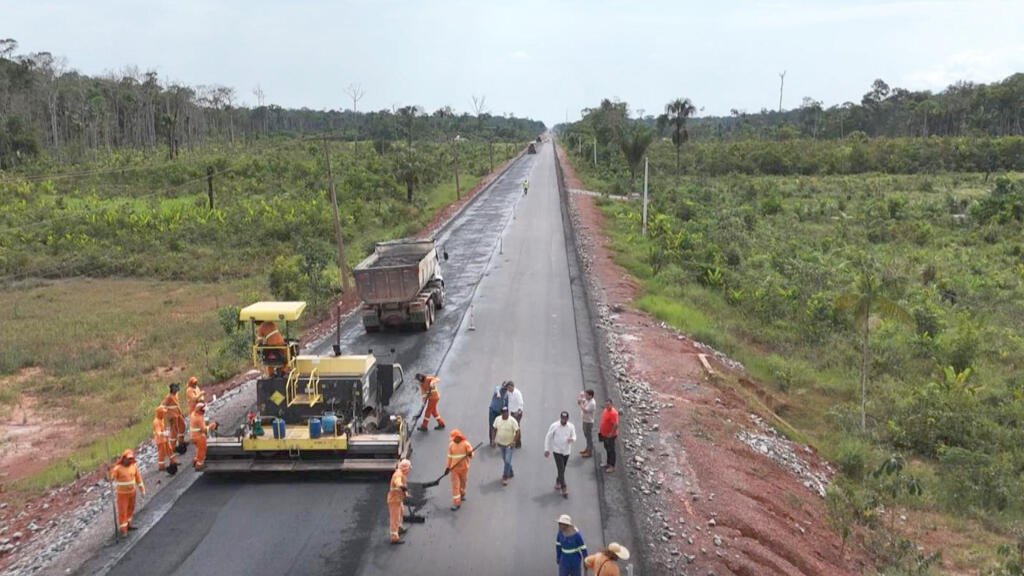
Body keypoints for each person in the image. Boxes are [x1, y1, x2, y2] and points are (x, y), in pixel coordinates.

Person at [109, 449, 145, 535]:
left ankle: (129, 524)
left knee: (130, 509)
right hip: (122, 495)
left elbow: (138, 478)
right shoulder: (118, 469)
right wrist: (109, 472)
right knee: (123, 511)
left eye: (131, 459)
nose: (130, 460)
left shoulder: (134, 466)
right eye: (128, 459)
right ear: (124, 458)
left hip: (132, 492)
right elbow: (110, 478)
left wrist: (142, 490)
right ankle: (123, 530)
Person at [544, 411, 577, 498]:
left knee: (562, 469)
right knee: (561, 468)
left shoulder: (571, 426)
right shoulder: (554, 426)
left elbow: (574, 436)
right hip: (557, 451)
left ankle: (558, 481)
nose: (563, 420)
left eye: (565, 419)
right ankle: (564, 488)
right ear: (560, 418)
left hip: (566, 451)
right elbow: (548, 437)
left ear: (567, 419)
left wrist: (572, 439)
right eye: (562, 418)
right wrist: (546, 449)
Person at [492, 406, 520, 486]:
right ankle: (510, 471)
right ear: (501, 413)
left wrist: (514, 442)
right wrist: (493, 440)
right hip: (501, 444)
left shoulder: (512, 421)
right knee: (505, 459)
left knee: (507, 460)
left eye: (506, 412)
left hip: (509, 444)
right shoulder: (498, 419)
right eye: (504, 412)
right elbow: (494, 429)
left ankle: (505, 477)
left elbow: (517, 431)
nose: (505, 413)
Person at [446, 428, 473, 510]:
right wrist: (448, 467)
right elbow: (449, 457)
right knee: (455, 486)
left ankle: (462, 493)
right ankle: (456, 503)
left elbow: (471, 455)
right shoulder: (451, 445)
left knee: (463, 483)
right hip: (454, 469)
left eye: (454, 438)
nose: (453, 440)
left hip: (464, 468)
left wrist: (469, 453)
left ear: (459, 437)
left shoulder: (466, 444)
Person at [387, 459, 412, 545]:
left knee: (401, 512)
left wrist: (406, 494)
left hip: (398, 499)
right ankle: (394, 537)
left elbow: (403, 487)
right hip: (394, 500)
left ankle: (399, 528)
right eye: (409, 468)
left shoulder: (403, 474)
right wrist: (401, 486)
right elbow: (398, 483)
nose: (409, 470)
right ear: (405, 468)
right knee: (395, 518)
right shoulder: (398, 474)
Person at [189, 402, 217, 470]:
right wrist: (211, 426)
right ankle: (199, 465)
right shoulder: (199, 418)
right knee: (202, 450)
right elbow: (204, 430)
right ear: (200, 410)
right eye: (203, 410)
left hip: (193, 436)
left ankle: (195, 461)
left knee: (198, 450)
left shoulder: (193, 414)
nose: (204, 412)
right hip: (199, 437)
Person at [152, 405, 178, 474]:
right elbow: (158, 432)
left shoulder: (161, 419)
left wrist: (166, 432)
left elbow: (163, 428)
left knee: (169, 450)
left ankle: (173, 462)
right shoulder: (156, 421)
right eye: (163, 413)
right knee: (162, 453)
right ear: (159, 413)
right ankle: (161, 467)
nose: (164, 414)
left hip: (165, 438)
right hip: (160, 440)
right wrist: (164, 433)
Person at [162, 383, 187, 451]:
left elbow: (177, 405)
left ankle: (181, 442)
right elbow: (163, 406)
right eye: (175, 388)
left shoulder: (176, 395)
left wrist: (181, 413)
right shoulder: (168, 397)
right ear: (172, 389)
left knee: (182, 427)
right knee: (174, 431)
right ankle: (172, 448)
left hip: (178, 414)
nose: (177, 389)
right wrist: (168, 416)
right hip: (172, 416)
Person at [598, 399, 619, 473]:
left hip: (610, 436)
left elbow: (616, 425)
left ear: (612, 404)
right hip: (604, 434)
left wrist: (611, 433)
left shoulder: (613, 413)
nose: (607, 406)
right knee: (607, 448)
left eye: (608, 404)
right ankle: (608, 463)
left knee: (611, 450)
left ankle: (612, 466)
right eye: (606, 404)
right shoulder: (605, 410)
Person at [488, 381, 509, 447]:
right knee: (492, 426)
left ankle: (497, 441)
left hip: (500, 412)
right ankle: (491, 441)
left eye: (506, 388)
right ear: (502, 385)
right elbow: (496, 390)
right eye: (504, 387)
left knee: (498, 427)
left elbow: (506, 405)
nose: (505, 389)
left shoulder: (507, 395)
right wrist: (498, 393)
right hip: (493, 410)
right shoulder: (498, 389)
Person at [577, 389, 597, 458]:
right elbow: (580, 402)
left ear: (590, 396)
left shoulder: (592, 403)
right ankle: (587, 448)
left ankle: (589, 451)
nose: (585, 396)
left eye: (586, 395)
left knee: (588, 437)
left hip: (588, 422)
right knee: (586, 435)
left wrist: (581, 403)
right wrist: (580, 399)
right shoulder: (588, 400)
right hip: (585, 420)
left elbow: (585, 410)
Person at [504, 380, 524, 448]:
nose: (508, 389)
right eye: (507, 388)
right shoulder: (509, 393)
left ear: (513, 387)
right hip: (512, 413)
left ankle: (518, 443)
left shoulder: (517, 393)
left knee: (516, 427)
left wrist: (518, 412)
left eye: (509, 388)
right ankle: (513, 442)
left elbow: (521, 403)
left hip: (517, 413)